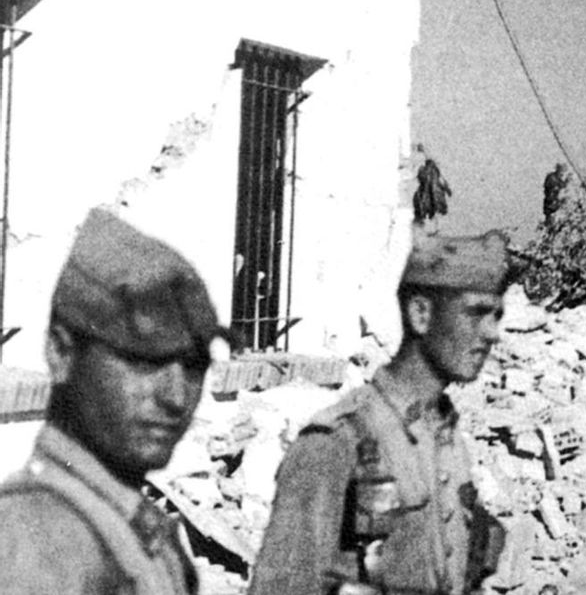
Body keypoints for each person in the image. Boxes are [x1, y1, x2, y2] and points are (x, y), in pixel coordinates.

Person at [249, 231, 522, 595]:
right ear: (420, 314)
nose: (491, 333)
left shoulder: (446, 436)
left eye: (497, 316)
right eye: (475, 313)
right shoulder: (338, 441)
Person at [0, 207, 228, 595]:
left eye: (194, 366)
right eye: (143, 360)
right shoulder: (35, 543)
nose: (175, 397)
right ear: (61, 353)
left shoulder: (130, 527)